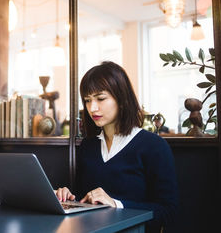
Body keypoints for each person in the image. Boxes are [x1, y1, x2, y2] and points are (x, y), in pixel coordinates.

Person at [55, 61, 178, 232]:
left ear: (121, 99)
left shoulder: (153, 146)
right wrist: (67, 198)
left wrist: (116, 204)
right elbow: (83, 201)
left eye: (101, 98)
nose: (92, 108)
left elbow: (168, 212)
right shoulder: (88, 146)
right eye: (87, 100)